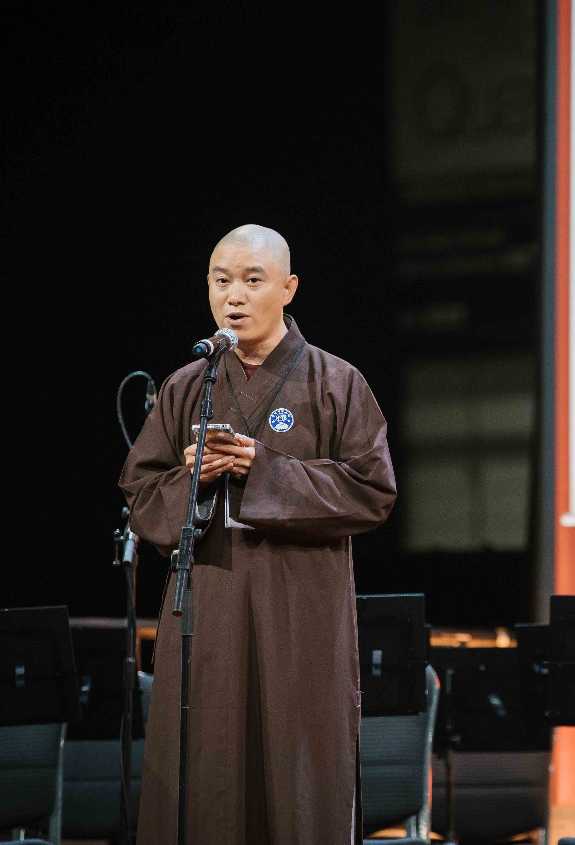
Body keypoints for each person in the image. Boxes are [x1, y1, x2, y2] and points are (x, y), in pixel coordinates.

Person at [120, 224, 397, 844]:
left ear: (288, 288)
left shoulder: (335, 383)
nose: (234, 296)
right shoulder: (188, 386)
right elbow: (140, 495)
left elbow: (372, 491)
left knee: (297, 766)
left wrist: (261, 470)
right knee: (205, 762)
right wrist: (189, 478)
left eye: (252, 280)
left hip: (302, 609)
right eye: (222, 282)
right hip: (209, 604)